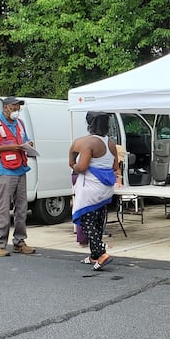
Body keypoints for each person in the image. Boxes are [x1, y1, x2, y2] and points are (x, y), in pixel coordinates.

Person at [0, 97, 36, 257]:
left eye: (18, 108)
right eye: (14, 107)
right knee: (4, 208)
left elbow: (23, 140)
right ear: (6, 107)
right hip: (4, 170)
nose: (17, 110)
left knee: (22, 208)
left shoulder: (20, 124)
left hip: (20, 169)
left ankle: (19, 242)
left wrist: (28, 145)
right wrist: (9, 147)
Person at [69, 112, 122, 270]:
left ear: (89, 124)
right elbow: (115, 167)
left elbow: (82, 167)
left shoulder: (88, 144)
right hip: (105, 189)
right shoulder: (110, 143)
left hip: (90, 189)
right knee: (98, 221)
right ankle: (94, 256)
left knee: (86, 221)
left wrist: (73, 165)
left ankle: (102, 253)